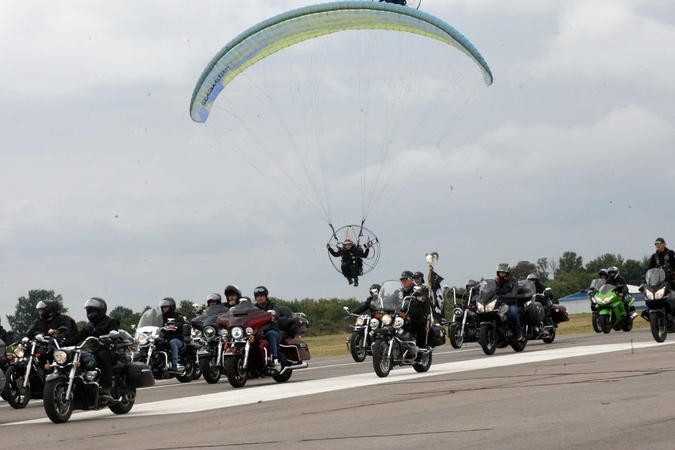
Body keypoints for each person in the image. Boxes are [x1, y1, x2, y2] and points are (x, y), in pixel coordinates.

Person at [63, 297, 119, 397]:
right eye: (89, 312)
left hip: (109, 351)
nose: (91, 314)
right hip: (95, 352)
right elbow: (77, 338)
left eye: (93, 311)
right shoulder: (89, 326)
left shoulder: (111, 322)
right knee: (82, 357)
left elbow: (114, 332)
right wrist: (61, 344)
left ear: (101, 311)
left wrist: (112, 334)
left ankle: (106, 386)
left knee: (103, 355)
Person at [253, 286, 282, 371]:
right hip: (258, 332)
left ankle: (275, 359)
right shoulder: (254, 308)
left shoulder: (272, 305)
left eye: (261, 296)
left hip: (271, 329)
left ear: (266, 296)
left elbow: (276, 312)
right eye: (257, 296)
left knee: (271, 334)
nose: (259, 298)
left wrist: (274, 314)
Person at [399, 270, 431, 348]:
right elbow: (394, 299)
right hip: (404, 315)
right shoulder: (401, 291)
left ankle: (421, 349)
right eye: (402, 280)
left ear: (411, 279)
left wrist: (421, 298)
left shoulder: (417, 289)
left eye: (406, 279)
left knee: (419, 324)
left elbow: (425, 297)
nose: (404, 281)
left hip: (416, 316)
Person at [495, 263, 523, 341]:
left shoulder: (513, 280)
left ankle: (518, 332)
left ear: (507, 272)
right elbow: (492, 291)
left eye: (503, 273)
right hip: (499, 304)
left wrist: (502, 298)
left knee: (513, 313)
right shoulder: (496, 281)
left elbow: (514, 293)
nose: (502, 274)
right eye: (500, 273)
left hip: (511, 303)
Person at [159, 297, 186, 372]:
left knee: (173, 342)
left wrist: (175, 325)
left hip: (178, 339)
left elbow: (180, 323)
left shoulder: (178, 316)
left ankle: (175, 364)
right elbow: (155, 323)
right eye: (163, 307)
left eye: (166, 307)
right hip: (166, 338)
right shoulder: (161, 317)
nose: (165, 309)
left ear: (171, 307)